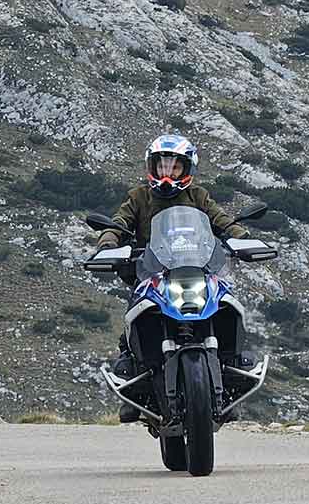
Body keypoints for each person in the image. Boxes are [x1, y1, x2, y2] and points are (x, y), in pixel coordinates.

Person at [91, 134, 252, 422]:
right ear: (152, 166)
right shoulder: (138, 197)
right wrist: (108, 243)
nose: (167, 173)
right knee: (135, 316)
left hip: (196, 270)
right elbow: (119, 223)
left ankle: (232, 372)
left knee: (227, 305)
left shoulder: (198, 196)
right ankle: (132, 381)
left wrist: (241, 238)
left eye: (174, 167)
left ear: (186, 169)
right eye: (162, 166)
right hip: (153, 273)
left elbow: (221, 221)